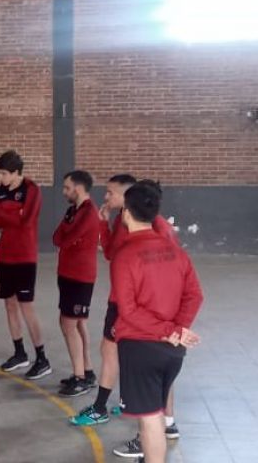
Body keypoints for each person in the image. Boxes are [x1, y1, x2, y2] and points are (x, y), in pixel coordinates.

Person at [70, 175, 179, 433]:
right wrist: (103, 223)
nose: (106, 197)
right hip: (123, 300)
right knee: (118, 353)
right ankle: (160, 421)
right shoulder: (122, 220)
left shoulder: (158, 228)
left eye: (110, 193)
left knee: (134, 358)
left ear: (128, 196)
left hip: (135, 304)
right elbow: (110, 253)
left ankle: (106, 411)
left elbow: (172, 271)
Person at [108, 182, 203, 463]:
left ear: (126, 212)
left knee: (150, 420)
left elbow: (128, 311)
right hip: (172, 352)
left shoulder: (125, 256)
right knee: (156, 412)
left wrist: (171, 331)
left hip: (141, 349)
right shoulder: (176, 251)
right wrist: (178, 331)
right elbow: (195, 295)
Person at [0, 150, 50, 380]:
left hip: (25, 256)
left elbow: (27, 221)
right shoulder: (2, 190)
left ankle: (42, 358)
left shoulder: (31, 190)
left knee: (27, 307)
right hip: (4, 255)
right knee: (9, 305)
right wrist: (14, 213)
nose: (1, 178)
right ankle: (20, 353)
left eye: (4, 173)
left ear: (16, 173)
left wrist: (8, 214)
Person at [53, 170, 102, 398]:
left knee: (68, 324)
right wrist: (65, 236)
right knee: (78, 323)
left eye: (67, 188)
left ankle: (80, 378)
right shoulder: (73, 210)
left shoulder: (89, 213)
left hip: (80, 276)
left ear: (79, 188)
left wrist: (65, 236)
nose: (64, 192)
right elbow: (57, 237)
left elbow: (68, 237)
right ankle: (87, 371)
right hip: (67, 273)